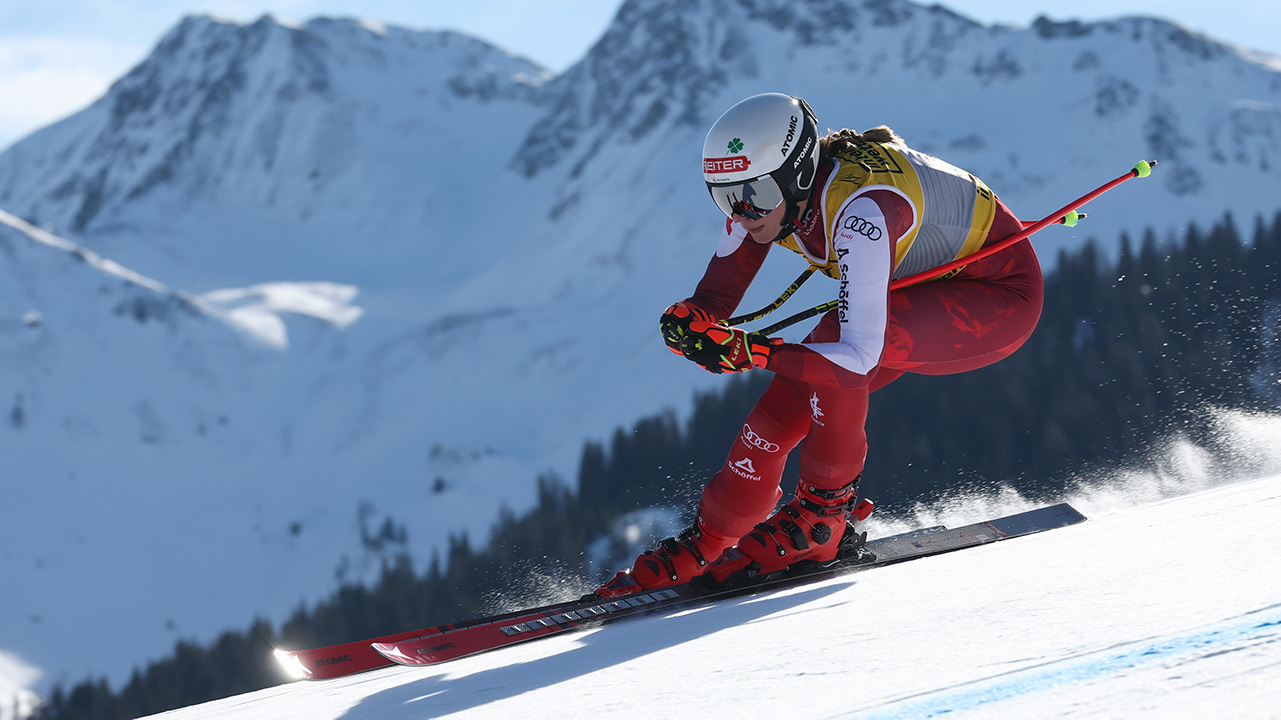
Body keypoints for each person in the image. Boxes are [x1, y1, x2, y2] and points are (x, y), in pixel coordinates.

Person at [596, 92, 1044, 596]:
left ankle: (822, 516)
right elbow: (718, 296)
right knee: (791, 392)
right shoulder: (764, 197)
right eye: (723, 196)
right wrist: (695, 321)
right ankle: (712, 539)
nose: (741, 212)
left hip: (994, 300)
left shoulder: (863, 214)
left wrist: (752, 351)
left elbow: (855, 361)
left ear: (799, 175)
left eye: (753, 196)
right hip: (917, 287)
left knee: (830, 349)